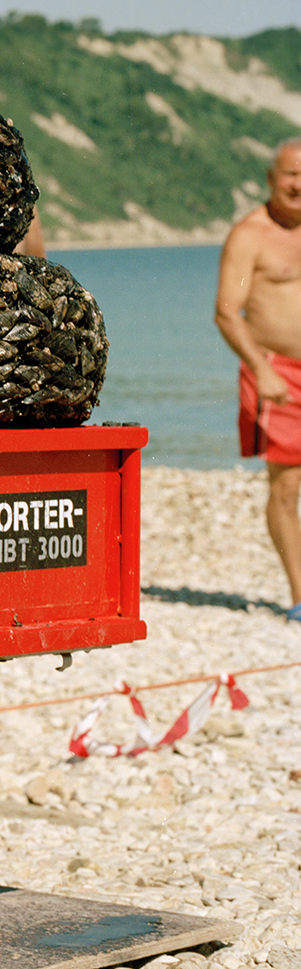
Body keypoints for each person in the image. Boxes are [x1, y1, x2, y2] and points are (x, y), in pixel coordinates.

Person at [215, 137, 301, 616]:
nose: (298, 184)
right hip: (278, 373)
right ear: (271, 178)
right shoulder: (251, 235)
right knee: (286, 487)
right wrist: (261, 369)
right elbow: (229, 311)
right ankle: (300, 595)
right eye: (291, 174)